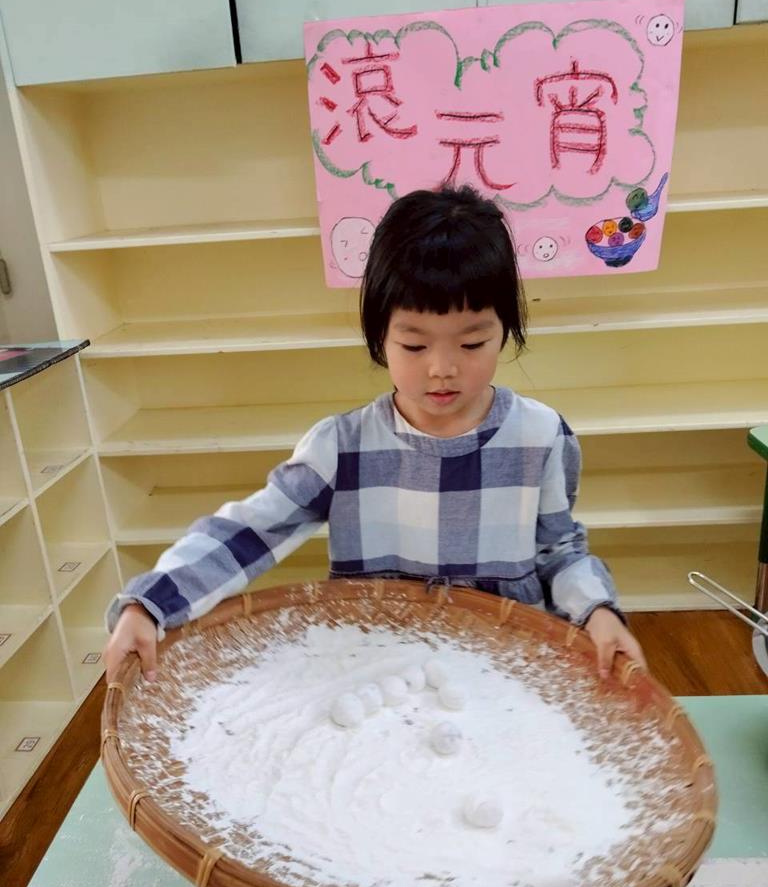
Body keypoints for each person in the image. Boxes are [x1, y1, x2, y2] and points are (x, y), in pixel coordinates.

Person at [104, 185, 646, 683]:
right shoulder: (342, 448)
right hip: (373, 667)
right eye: (414, 345)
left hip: (502, 667)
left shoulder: (540, 436)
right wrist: (149, 604)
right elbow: (250, 531)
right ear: (378, 337)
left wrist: (596, 610)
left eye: (472, 343)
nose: (442, 368)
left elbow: (559, 551)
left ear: (506, 329)